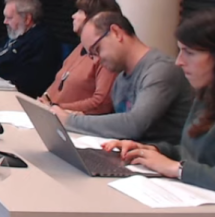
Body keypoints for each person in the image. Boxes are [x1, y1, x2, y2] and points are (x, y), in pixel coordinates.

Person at [102, 8, 215, 206]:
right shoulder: (209, 91)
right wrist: (150, 150)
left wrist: (177, 169)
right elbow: (196, 154)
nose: (179, 62)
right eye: (180, 51)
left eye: (189, 52)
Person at [52, 11, 193, 144]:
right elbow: (120, 124)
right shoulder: (120, 79)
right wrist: (82, 119)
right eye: (91, 55)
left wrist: (70, 121)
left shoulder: (160, 69)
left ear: (116, 33)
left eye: (97, 49)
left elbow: (134, 124)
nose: (96, 60)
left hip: (163, 158)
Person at [38, 0, 121, 115]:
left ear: (95, 19)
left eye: (80, 12)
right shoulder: (80, 47)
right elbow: (58, 82)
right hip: (52, 114)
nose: (73, 16)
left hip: (72, 120)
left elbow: (102, 103)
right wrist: (44, 100)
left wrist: (57, 107)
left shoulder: (107, 56)